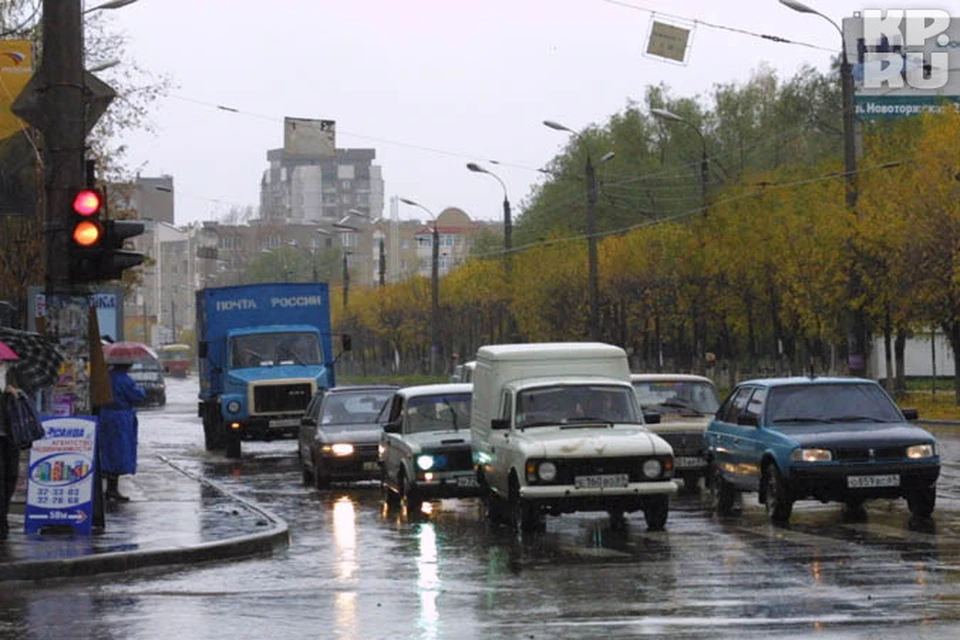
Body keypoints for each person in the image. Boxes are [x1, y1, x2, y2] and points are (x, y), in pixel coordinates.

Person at [98, 362, 146, 501]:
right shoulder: (125, 380)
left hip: (105, 415)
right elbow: (137, 396)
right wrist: (141, 390)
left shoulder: (105, 378)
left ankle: (110, 488)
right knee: (119, 451)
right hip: (121, 418)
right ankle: (112, 489)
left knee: (108, 451)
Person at [0, 357, 23, 540]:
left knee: (11, 475)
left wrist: (16, 393)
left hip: (11, 433)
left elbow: (26, 395)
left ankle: (3, 515)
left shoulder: (12, 372)